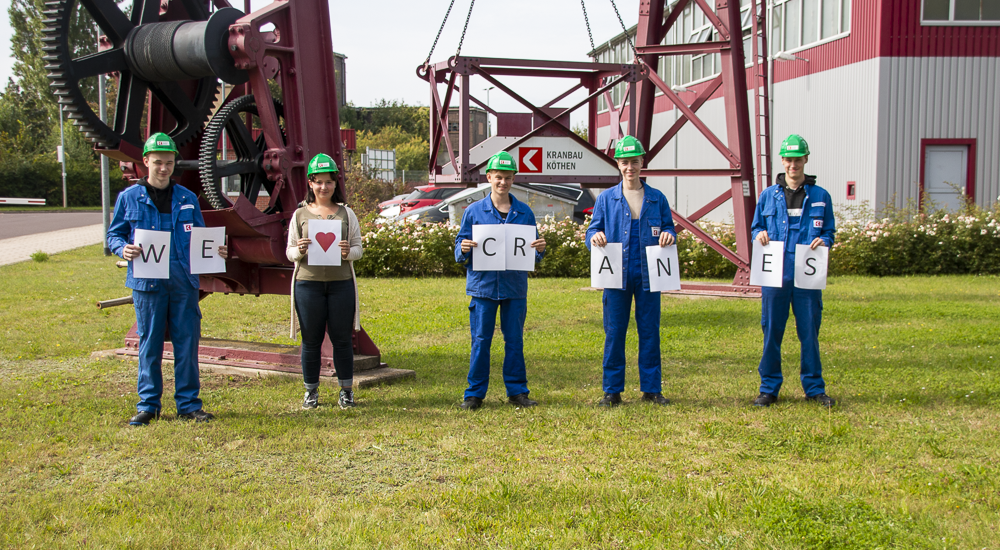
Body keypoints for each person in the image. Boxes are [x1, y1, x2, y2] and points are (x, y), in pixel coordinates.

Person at [107, 132, 226, 426]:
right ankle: (148, 405)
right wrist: (123, 248)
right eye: (158, 162)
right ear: (145, 162)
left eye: (169, 163)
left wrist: (216, 249)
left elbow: (200, 237)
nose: (163, 168)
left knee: (187, 341)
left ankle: (189, 405)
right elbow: (114, 234)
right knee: (150, 343)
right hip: (147, 281)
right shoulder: (129, 198)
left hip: (183, 280)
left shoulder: (187, 198)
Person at [585, 136, 676, 407]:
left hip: (650, 271)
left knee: (650, 330)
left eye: (634, 162)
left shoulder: (656, 198)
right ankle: (612, 391)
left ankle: (652, 389)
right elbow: (592, 229)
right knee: (614, 331)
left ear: (642, 162)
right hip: (617, 271)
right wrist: (595, 236)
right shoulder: (606, 199)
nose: (629, 167)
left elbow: (669, 227)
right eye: (624, 162)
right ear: (618, 164)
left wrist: (669, 236)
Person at [454, 151, 546, 410]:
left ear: (513, 178)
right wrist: (462, 248)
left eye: (507, 177)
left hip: (514, 287)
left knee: (514, 339)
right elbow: (459, 245)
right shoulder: (473, 212)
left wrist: (539, 249)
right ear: (489, 177)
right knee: (481, 340)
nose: (502, 182)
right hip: (483, 287)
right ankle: (474, 394)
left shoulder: (524, 213)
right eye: (498, 177)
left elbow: (533, 252)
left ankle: (517, 391)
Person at [750, 134, 836, 407]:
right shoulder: (768, 196)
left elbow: (829, 230)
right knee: (772, 330)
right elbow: (755, 227)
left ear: (805, 160)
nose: (792, 165)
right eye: (788, 159)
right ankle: (769, 388)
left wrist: (825, 240)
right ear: (783, 161)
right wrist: (760, 233)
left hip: (807, 272)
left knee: (809, 331)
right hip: (775, 272)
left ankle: (814, 388)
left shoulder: (821, 196)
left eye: (797, 159)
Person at [286, 153, 364, 410]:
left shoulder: (347, 214)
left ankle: (346, 391)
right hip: (308, 284)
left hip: (341, 284)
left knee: (342, 339)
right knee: (311, 340)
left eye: (328, 182)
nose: (323, 187)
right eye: (318, 182)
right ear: (310, 183)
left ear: (335, 183)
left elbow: (358, 250)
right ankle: (311, 392)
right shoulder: (299, 215)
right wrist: (299, 249)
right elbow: (289, 252)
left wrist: (346, 252)